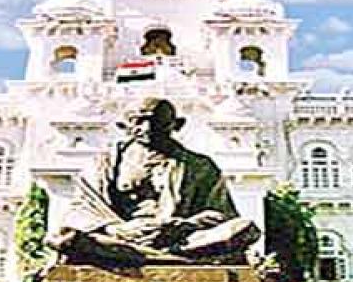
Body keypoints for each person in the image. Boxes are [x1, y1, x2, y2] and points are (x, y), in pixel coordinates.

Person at [45, 98, 260, 268]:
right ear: (124, 125)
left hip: (180, 238)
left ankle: (145, 257)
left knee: (244, 229)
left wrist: (183, 225)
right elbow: (82, 210)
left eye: (156, 120)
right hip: (120, 236)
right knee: (64, 238)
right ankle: (169, 260)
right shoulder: (104, 163)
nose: (147, 127)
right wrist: (117, 229)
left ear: (177, 125)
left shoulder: (199, 165)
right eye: (139, 120)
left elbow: (220, 213)